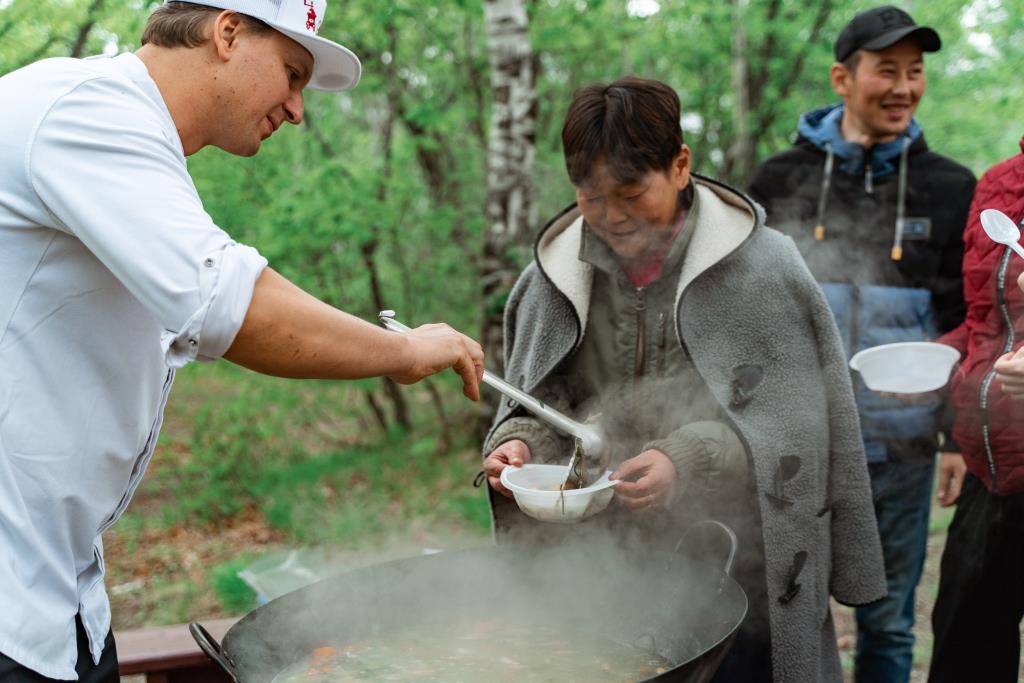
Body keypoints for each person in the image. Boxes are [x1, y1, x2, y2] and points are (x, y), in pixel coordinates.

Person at [0, 1, 484, 680]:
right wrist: (403, 351)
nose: (296, 109)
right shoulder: (86, 113)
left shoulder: (129, 138)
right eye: (291, 74)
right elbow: (233, 306)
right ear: (227, 31)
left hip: (62, 593)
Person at [482, 76, 885, 683]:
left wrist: (688, 456)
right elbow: (544, 399)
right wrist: (521, 445)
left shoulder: (761, 268)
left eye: (630, 191)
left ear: (680, 166)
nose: (611, 217)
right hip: (600, 568)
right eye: (589, 196)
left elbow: (795, 429)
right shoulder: (554, 277)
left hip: (740, 567)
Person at [748, 6, 976, 682]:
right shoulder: (778, 179)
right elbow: (750, 311)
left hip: (901, 445)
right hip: (799, 443)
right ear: (843, 78)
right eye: (887, 70)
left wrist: (958, 435)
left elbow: (963, 317)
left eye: (915, 72)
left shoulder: (949, 185)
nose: (904, 87)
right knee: (792, 611)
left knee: (887, 620)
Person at [927, 139, 1024, 683]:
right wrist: (943, 358)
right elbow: (986, 326)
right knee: (965, 654)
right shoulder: (1000, 185)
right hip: (992, 476)